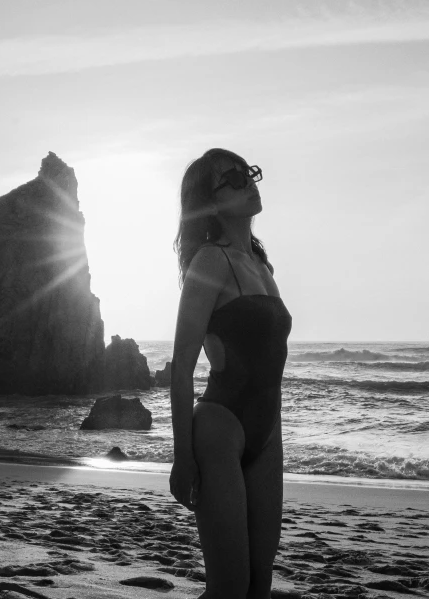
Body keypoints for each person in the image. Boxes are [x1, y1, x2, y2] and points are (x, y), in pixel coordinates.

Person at [169, 147, 292, 599]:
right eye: (233, 179)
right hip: (220, 429)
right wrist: (183, 456)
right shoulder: (209, 262)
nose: (248, 182)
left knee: (259, 584)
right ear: (210, 202)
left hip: (267, 433)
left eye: (248, 173)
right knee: (229, 588)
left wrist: (273, 432)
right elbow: (181, 369)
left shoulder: (260, 266)